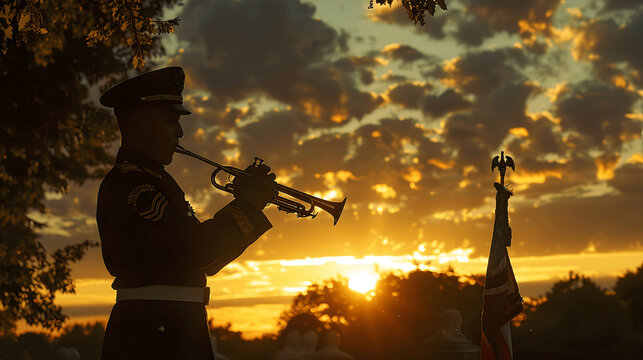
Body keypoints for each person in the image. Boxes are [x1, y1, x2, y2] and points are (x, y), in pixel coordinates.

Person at [96, 66, 277, 359]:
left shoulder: (157, 179)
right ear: (137, 123)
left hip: (168, 324)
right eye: (170, 122)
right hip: (156, 332)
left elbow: (205, 263)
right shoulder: (135, 183)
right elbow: (198, 252)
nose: (180, 132)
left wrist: (247, 205)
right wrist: (246, 204)